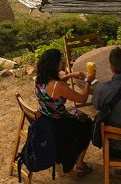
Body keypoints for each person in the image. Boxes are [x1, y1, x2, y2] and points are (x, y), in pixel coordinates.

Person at [34, 48, 95, 176]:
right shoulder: (58, 86)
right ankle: (79, 164)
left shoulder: (39, 79)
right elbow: (82, 99)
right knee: (88, 124)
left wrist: (70, 75)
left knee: (80, 116)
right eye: (60, 62)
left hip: (46, 119)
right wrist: (88, 81)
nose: (62, 64)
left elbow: (55, 89)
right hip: (59, 123)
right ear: (55, 65)